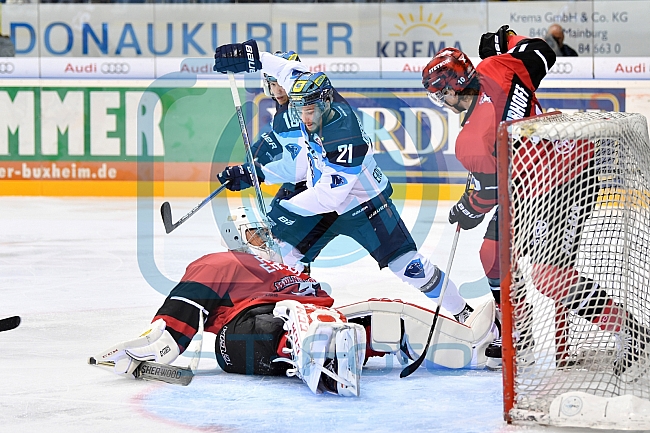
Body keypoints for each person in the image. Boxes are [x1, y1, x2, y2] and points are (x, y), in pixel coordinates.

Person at [422, 25, 648, 375]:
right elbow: (544, 51)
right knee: (491, 255)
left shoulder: (470, 142)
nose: (442, 102)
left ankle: (633, 333)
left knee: (549, 277)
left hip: (566, 178)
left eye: (440, 94)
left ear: (451, 91)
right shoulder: (497, 67)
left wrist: (466, 208)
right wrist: (507, 40)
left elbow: (488, 194)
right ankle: (520, 331)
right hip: (529, 185)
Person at [90, 211, 497, 396]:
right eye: (255, 232)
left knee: (381, 312)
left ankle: (471, 346)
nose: (265, 238)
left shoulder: (293, 271)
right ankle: (323, 356)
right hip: (245, 337)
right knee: (297, 315)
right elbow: (183, 311)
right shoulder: (222, 262)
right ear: (238, 237)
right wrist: (149, 346)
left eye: (266, 231)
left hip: (292, 324)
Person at [213, 40, 475, 324]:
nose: (305, 116)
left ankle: (465, 314)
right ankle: (292, 318)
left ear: (326, 103)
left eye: (311, 109)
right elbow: (287, 69)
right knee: (282, 255)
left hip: (364, 207)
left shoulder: (343, 134)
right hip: (325, 203)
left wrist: (283, 209)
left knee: (409, 267)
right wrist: (252, 56)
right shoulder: (311, 96)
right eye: (300, 108)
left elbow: (329, 198)